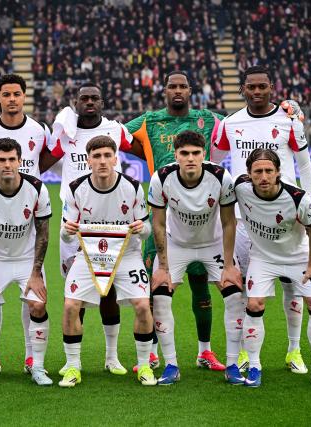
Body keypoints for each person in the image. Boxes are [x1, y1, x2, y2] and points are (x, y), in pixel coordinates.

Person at [212, 65, 311, 374]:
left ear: (272, 87)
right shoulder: (230, 124)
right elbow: (216, 164)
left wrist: (305, 209)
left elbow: (305, 167)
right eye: (251, 87)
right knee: (245, 286)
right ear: (243, 89)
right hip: (246, 220)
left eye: (262, 86)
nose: (257, 91)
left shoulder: (289, 121)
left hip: (288, 215)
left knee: (293, 287)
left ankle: (294, 349)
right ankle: (245, 351)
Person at [126, 71, 226, 371]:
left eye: (183, 86)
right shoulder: (149, 121)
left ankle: (204, 352)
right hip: (160, 213)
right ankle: (153, 352)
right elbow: (114, 134)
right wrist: (144, 152)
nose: (178, 91)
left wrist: (290, 109)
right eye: (172, 87)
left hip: (199, 216)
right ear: (164, 91)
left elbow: (243, 128)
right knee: (155, 287)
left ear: (191, 90)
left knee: (200, 284)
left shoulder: (209, 119)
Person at [41, 82, 133, 376]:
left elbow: (144, 148)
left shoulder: (115, 130)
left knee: (110, 294)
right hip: (75, 224)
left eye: (95, 98)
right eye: (84, 99)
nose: (90, 102)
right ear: (76, 102)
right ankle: (73, 362)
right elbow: (40, 161)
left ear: (102, 101)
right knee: (74, 294)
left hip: (111, 222)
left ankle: (111, 357)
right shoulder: (66, 131)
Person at [59, 136, 156, 388]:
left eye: (107, 155)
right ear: (88, 160)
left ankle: (144, 364)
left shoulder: (133, 187)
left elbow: (146, 229)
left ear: (115, 158)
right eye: (96, 156)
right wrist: (67, 230)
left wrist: (140, 227)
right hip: (88, 255)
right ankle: (72, 366)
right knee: (70, 306)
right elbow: (64, 230)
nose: (102, 161)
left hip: (127, 256)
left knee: (143, 306)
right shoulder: (75, 188)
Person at [148, 130, 242, 385]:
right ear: (176, 155)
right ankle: (171, 365)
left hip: (212, 244)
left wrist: (230, 264)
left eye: (196, 153)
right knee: (160, 298)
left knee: (235, 297)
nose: (190, 158)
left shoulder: (221, 177)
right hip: (177, 244)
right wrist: (163, 267)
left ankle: (233, 365)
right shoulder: (162, 178)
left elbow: (229, 222)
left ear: (204, 155)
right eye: (185, 153)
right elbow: (157, 224)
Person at [0, 74, 52, 374]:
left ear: (24, 96)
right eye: (6, 94)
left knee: (32, 298)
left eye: (17, 94)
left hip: (29, 219)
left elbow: (48, 163)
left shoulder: (38, 130)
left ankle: (33, 358)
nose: (12, 99)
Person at [233, 148, 311, 387]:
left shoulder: (298, 197)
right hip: (263, 259)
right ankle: (254, 366)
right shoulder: (240, 188)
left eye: (269, 171)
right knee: (254, 304)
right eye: (258, 171)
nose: (264, 176)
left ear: (279, 172)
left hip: (298, 258)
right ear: (249, 173)